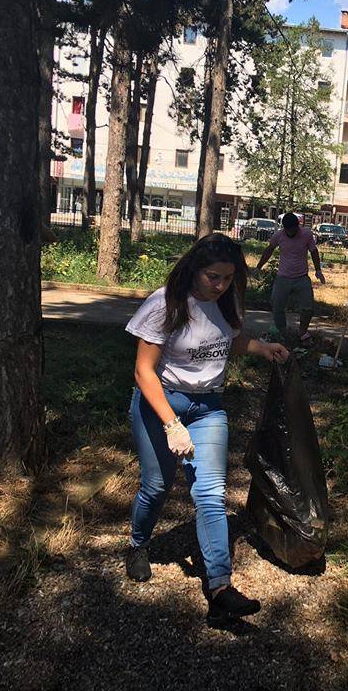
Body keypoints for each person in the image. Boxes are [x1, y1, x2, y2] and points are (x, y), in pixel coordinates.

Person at [124, 233, 289, 624]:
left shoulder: (227, 302)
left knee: (211, 494)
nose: (221, 286)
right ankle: (137, 544)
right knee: (157, 486)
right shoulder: (164, 304)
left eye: (229, 278)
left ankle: (219, 587)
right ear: (193, 270)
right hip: (161, 402)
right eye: (213, 277)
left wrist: (261, 348)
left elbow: (226, 342)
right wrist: (171, 424)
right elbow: (142, 371)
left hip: (209, 407)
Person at [255, 212, 326, 344]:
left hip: (301, 277)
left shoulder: (306, 234)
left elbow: (314, 251)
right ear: (284, 228)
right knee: (277, 305)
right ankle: (282, 332)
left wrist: (318, 270)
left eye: (294, 229)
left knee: (308, 307)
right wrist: (259, 266)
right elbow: (269, 249)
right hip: (283, 277)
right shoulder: (279, 235)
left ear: (297, 227)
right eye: (288, 230)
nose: (291, 232)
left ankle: (303, 332)